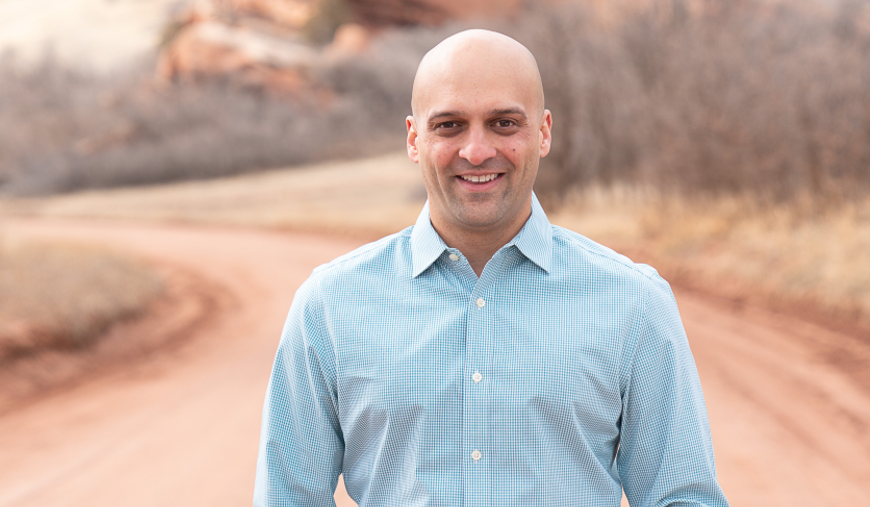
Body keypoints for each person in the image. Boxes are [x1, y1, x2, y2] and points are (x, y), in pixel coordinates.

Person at [254, 29, 729, 507]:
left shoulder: (634, 302)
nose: (476, 151)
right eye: (449, 125)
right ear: (414, 138)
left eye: (503, 123)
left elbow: (683, 498)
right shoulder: (329, 306)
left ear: (542, 133)